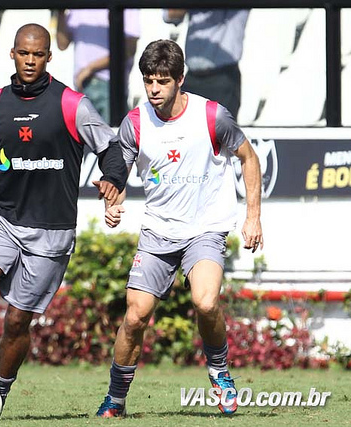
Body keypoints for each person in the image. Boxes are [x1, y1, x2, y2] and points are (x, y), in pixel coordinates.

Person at [0, 23, 128, 415]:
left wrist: (112, 180)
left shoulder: (72, 105)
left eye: (37, 54)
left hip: (51, 232)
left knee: (17, 323)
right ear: (13, 54)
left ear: (49, 57)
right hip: (0, 218)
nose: (30, 60)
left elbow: (111, 149)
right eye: (23, 53)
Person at [95, 39, 263, 418]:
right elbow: (118, 171)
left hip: (205, 229)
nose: (154, 89)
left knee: (205, 302)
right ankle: (115, 399)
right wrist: (112, 201)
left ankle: (220, 374)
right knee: (135, 316)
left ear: (180, 79)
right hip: (158, 231)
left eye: (163, 81)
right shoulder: (136, 122)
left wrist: (252, 216)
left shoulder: (212, 115)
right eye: (148, 81)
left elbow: (249, 157)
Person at [56, 9, 141, 123]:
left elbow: (128, 49)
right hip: (82, 87)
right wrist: (60, 11)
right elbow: (62, 44)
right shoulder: (77, 7)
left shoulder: (128, 8)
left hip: (109, 84)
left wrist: (90, 68)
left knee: (111, 131)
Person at [164, 9, 249, 119]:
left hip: (223, 77)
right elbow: (170, 15)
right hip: (192, 77)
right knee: (183, 125)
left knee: (221, 128)